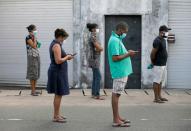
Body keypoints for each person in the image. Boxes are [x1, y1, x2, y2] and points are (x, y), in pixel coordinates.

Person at [108, 22, 137, 127]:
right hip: (119, 72)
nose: (125, 34)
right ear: (120, 30)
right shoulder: (114, 40)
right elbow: (115, 58)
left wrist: (127, 52)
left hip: (122, 71)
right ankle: (116, 120)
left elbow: (120, 54)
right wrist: (128, 54)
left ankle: (117, 117)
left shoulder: (117, 39)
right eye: (124, 32)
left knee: (117, 94)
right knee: (116, 94)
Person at [47, 28, 74, 123]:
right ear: (60, 36)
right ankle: (56, 116)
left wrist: (67, 57)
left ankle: (57, 114)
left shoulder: (57, 44)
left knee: (59, 94)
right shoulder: (56, 45)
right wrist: (67, 57)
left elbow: (59, 58)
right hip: (57, 72)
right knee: (58, 94)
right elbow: (58, 61)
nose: (64, 40)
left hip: (58, 72)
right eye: (63, 38)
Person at [150, 25, 170, 103]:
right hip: (158, 64)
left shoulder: (163, 40)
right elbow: (152, 53)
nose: (167, 33)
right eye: (166, 31)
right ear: (162, 32)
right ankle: (156, 98)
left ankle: (159, 96)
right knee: (156, 81)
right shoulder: (157, 40)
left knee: (160, 81)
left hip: (163, 64)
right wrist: (152, 62)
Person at [86, 23, 104, 100]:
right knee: (98, 76)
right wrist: (101, 48)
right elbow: (98, 47)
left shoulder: (93, 36)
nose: (98, 29)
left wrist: (99, 48)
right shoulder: (93, 36)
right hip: (94, 59)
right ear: (93, 29)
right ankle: (96, 94)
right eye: (97, 28)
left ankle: (94, 93)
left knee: (95, 76)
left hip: (94, 58)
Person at [25, 24, 41, 96]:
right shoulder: (28, 38)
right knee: (32, 73)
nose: (36, 31)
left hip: (36, 55)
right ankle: (33, 91)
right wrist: (34, 39)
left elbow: (37, 45)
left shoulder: (34, 37)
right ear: (31, 31)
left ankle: (34, 89)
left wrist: (37, 41)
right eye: (35, 30)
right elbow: (34, 46)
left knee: (36, 73)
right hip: (31, 57)